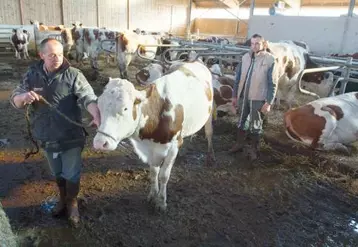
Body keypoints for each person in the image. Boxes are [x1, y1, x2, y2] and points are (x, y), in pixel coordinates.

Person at [10, 38, 100, 228]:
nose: (56, 58)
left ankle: (72, 202)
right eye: (51, 55)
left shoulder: (74, 74)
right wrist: (24, 97)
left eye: (59, 54)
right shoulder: (32, 74)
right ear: (41, 55)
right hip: (46, 135)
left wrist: (96, 114)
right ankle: (62, 198)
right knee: (56, 171)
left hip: (71, 135)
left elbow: (88, 96)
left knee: (72, 172)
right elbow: (15, 99)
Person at [229, 34, 278, 161]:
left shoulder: (270, 60)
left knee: (255, 124)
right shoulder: (245, 57)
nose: (254, 46)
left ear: (263, 44)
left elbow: (273, 83)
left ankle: (253, 149)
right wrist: (234, 96)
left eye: (257, 43)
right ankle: (239, 144)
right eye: (252, 43)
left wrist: (268, 102)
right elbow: (238, 78)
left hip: (258, 97)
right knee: (241, 120)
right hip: (243, 96)